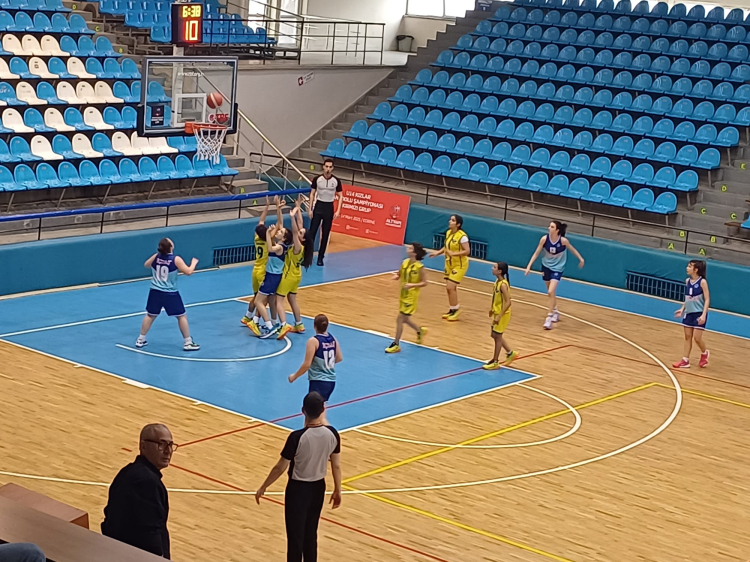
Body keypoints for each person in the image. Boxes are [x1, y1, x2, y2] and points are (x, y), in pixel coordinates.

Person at [255, 392, 342, 562]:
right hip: (318, 488)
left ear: (303, 410)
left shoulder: (297, 437)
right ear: (323, 410)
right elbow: (336, 465)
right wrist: (338, 489)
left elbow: (280, 467)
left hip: (298, 490)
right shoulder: (333, 434)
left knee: (295, 537)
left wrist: (264, 486)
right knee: (311, 534)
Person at [102, 424, 176, 559]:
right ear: (143, 446)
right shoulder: (147, 483)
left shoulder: (127, 472)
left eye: (170, 445)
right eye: (161, 444)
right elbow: (150, 533)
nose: (168, 451)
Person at [136, 238, 199, 351]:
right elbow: (188, 272)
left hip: (155, 291)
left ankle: (140, 339)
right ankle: (188, 342)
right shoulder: (175, 259)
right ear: (171, 246)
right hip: (170, 293)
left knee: (150, 315)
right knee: (181, 316)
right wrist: (193, 263)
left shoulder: (156, 257)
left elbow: (146, 265)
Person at [524, 221, 585, 330]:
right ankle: (556, 311)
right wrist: (529, 266)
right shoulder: (544, 239)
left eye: (552, 227)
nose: (549, 228)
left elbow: (573, 250)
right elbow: (536, 253)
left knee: (550, 291)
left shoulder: (563, 241)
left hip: (557, 269)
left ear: (557, 230)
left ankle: (549, 317)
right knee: (550, 293)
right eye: (549, 226)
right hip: (546, 267)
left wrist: (581, 259)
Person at [288, 314, 342, 424]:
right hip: (330, 381)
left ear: (314, 326)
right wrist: (326, 364)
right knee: (320, 415)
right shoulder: (333, 339)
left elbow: (306, 364)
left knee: (314, 417)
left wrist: (294, 376)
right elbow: (339, 358)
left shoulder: (313, 341)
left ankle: (330, 433)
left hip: (318, 381)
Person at [243, 196, 285, 331]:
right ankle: (257, 321)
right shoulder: (269, 239)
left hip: (255, 270)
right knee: (263, 299)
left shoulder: (257, 237)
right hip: (264, 271)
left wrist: (266, 207)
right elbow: (279, 224)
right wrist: (277, 207)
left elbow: (261, 221)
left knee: (256, 296)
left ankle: (247, 316)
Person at [248, 212, 291, 339]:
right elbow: (280, 223)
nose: (278, 231)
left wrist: (268, 233)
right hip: (273, 276)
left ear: (284, 238)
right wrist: (278, 209)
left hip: (272, 276)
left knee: (258, 301)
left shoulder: (279, 247)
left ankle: (269, 326)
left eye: (281, 232)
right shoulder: (280, 245)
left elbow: (271, 249)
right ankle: (274, 322)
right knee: (271, 300)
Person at [277, 197, 315, 340]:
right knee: (292, 300)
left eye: (301, 233)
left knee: (278, 301)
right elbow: (300, 225)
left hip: (288, 276)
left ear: (302, 239)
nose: (299, 231)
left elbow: (294, 231)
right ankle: (299, 324)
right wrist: (298, 208)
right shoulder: (305, 247)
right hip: (297, 276)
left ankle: (283, 324)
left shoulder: (298, 247)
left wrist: (291, 217)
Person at [385, 242, 428, 353]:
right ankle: (419, 331)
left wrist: (412, 285)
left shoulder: (419, 267)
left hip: (411, 297)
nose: (407, 249)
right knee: (405, 319)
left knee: (400, 319)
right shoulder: (404, 262)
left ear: (414, 253)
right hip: (403, 294)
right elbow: (400, 273)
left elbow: (424, 283)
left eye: (410, 248)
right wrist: (396, 276)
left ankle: (396, 344)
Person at [428, 214, 470, 321]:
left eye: (453, 220)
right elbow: (446, 247)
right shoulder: (448, 233)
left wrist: (454, 254)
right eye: (450, 220)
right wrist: (437, 253)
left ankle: (456, 310)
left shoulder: (462, 236)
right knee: (449, 289)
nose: (450, 221)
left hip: (459, 265)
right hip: (449, 264)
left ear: (458, 224)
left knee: (450, 287)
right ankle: (452, 309)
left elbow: (467, 251)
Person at [673, 260, 711, 369]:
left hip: (699, 313)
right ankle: (685, 360)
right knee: (687, 336)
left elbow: (707, 299)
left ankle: (704, 353)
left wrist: (703, 314)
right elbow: (688, 299)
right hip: (689, 313)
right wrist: (682, 309)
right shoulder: (687, 281)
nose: (687, 268)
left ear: (696, 270)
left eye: (689, 266)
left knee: (697, 338)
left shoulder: (702, 282)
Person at [307, 158, 343, 267]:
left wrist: (338, 210)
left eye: (330, 167)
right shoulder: (317, 179)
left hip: (329, 207)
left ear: (332, 168)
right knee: (312, 233)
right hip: (319, 206)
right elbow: (312, 193)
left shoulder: (336, 180)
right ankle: (307, 257)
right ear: (323, 167)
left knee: (325, 234)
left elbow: (340, 196)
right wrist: (310, 208)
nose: (328, 169)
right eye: (326, 166)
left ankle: (320, 257)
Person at [483, 262, 518, 370]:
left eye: (494, 267)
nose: (492, 268)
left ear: (499, 271)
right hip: (497, 312)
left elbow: (508, 302)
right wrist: (492, 309)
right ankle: (510, 353)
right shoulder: (497, 282)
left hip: (503, 314)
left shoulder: (503, 285)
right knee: (494, 335)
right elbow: (497, 298)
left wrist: (499, 316)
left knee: (497, 336)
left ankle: (495, 361)